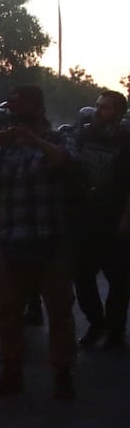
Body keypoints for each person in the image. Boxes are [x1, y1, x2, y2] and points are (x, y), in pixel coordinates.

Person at [0, 85, 78, 400]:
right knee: (7, 311)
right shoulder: (4, 145)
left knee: (60, 311)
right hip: (11, 241)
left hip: (50, 241)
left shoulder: (58, 137)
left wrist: (33, 140)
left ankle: (63, 374)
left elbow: (67, 161)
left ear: (37, 107)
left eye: (19, 102)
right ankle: (11, 373)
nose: (12, 108)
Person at [69, 90, 130, 349]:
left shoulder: (127, 141)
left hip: (114, 219)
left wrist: (126, 219)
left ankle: (115, 331)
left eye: (105, 107)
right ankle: (97, 322)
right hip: (85, 219)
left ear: (119, 112)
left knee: (119, 280)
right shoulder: (83, 135)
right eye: (97, 106)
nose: (98, 111)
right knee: (82, 276)